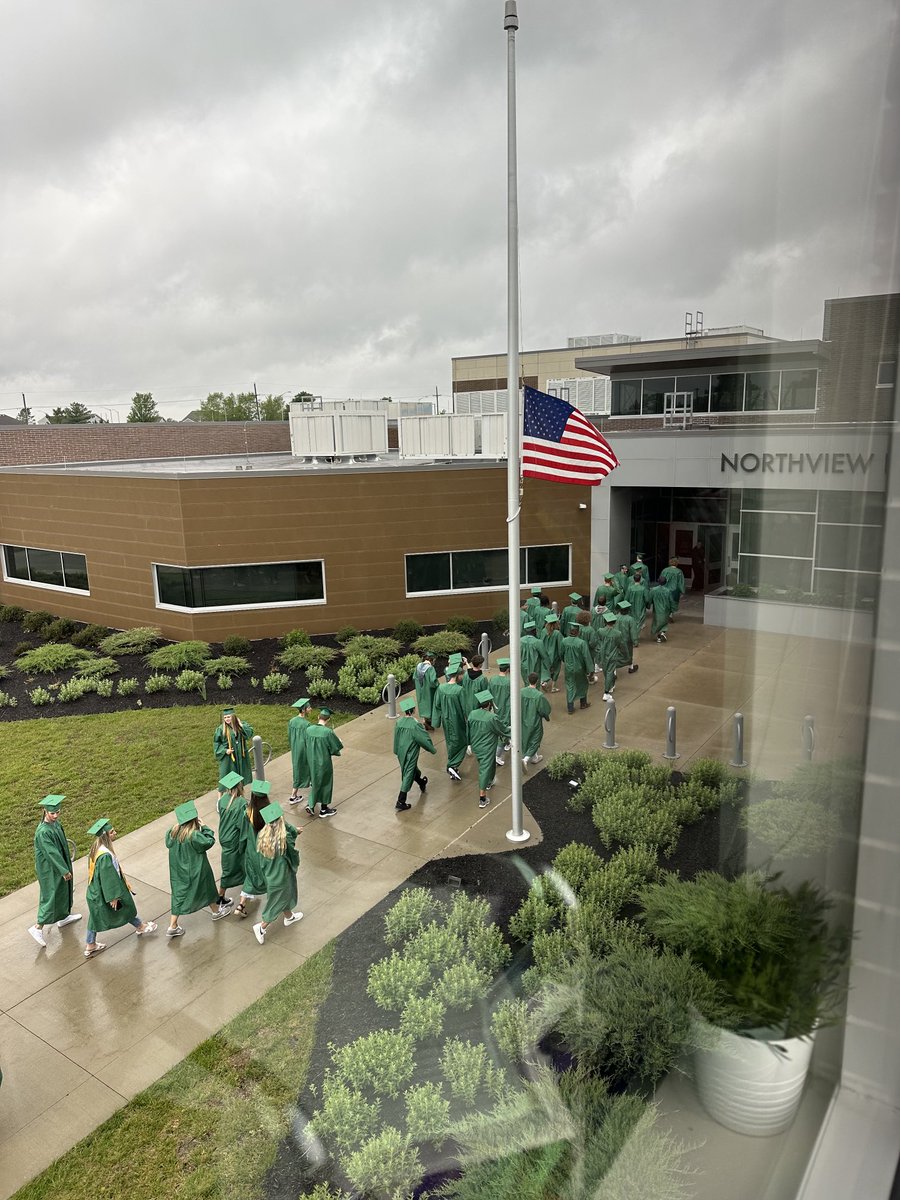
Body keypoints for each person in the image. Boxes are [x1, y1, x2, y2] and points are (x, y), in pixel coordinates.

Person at [83, 818, 157, 958]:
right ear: (105, 836)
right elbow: (107, 876)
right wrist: (113, 896)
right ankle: (140, 927)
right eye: (112, 832)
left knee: (95, 916)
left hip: (95, 891)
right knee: (125, 908)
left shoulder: (95, 849)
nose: (115, 833)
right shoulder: (104, 855)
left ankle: (90, 944)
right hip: (106, 891)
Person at [166, 800, 233, 937]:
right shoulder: (194, 835)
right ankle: (216, 912)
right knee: (207, 890)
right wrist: (206, 827)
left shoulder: (171, 833)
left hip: (178, 871)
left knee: (179, 896)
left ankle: (173, 925)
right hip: (197, 869)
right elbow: (208, 842)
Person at [28, 794, 81, 948]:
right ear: (45, 811)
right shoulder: (43, 831)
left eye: (58, 812)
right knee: (52, 896)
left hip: (60, 864)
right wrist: (63, 870)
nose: (56, 815)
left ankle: (63, 916)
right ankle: (37, 927)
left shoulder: (56, 825)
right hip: (50, 869)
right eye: (52, 813)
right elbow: (51, 853)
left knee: (64, 891)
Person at [252, 802, 304, 945]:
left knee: (283, 897)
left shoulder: (262, 836)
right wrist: (295, 831)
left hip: (270, 875)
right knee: (277, 902)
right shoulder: (284, 838)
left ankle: (289, 917)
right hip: (282, 875)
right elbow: (292, 845)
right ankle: (261, 927)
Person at [466, 690, 510, 809]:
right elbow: (503, 730)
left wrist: (469, 744)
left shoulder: (472, 714)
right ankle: (482, 797)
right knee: (484, 769)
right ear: (489, 704)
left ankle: (489, 782)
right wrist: (513, 730)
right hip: (487, 746)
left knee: (489, 765)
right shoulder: (492, 717)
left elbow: (468, 730)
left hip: (477, 745)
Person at [234, 781, 271, 917]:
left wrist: (242, 848)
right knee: (270, 878)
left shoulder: (247, 812)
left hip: (251, 850)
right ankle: (282, 909)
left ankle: (241, 905)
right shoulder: (269, 813)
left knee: (251, 878)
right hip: (265, 851)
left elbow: (242, 832)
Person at [393, 695, 436, 810]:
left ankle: (421, 782)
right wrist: (431, 749)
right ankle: (401, 801)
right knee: (408, 773)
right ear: (413, 710)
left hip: (401, 752)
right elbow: (423, 739)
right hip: (411, 751)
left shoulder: (399, 722)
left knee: (412, 770)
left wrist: (396, 750)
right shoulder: (415, 725)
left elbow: (396, 738)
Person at [432, 660, 468, 781]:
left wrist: (436, 721)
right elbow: (465, 708)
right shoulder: (459, 690)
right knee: (462, 742)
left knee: (450, 742)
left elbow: (436, 705)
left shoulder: (441, 688)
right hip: (457, 720)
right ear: (457, 676)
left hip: (446, 720)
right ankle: (452, 765)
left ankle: (453, 767)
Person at [216, 770, 246, 907]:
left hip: (224, 836)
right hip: (234, 839)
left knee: (235, 865)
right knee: (231, 868)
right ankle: (220, 896)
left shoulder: (222, 800)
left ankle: (246, 891)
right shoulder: (240, 803)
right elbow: (242, 825)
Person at [305, 707, 342, 817]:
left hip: (312, 760)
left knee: (315, 781)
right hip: (323, 762)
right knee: (326, 783)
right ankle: (323, 809)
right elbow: (335, 748)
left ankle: (311, 805)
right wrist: (339, 741)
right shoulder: (327, 732)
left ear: (318, 717)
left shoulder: (309, 729)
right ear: (329, 719)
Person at [214, 708, 254, 789]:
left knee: (240, 776)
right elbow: (216, 743)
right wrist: (225, 750)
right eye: (225, 717)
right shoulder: (221, 729)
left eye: (228, 717)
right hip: (229, 757)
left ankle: (239, 795)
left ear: (233, 716)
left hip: (240, 754)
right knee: (226, 777)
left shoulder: (240, 725)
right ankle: (220, 799)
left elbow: (249, 734)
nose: (226, 719)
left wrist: (241, 725)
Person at [561, 617, 595, 713]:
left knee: (569, 685)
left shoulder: (564, 641)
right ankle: (583, 703)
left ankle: (570, 707)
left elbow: (561, 654)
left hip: (568, 667)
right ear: (577, 632)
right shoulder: (581, 643)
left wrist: (565, 661)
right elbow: (586, 657)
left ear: (570, 631)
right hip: (579, 668)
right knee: (583, 684)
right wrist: (590, 670)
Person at [596, 610, 630, 701]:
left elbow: (597, 641)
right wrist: (626, 655)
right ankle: (606, 692)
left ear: (605, 621)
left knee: (606, 672)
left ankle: (610, 685)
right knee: (610, 672)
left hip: (603, 654)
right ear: (614, 622)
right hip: (612, 654)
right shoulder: (617, 634)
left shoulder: (600, 631)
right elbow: (621, 645)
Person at [521, 673, 551, 769]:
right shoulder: (539, 695)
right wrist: (546, 716)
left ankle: (535, 757)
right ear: (537, 681)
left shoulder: (521, 692)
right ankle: (526, 759)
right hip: (534, 720)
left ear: (528, 680)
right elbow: (544, 709)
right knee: (535, 739)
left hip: (523, 718)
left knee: (525, 737)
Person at [487, 657, 512, 766]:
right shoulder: (509, 682)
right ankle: (497, 756)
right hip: (506, 709)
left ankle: (507, 743)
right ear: (508, 669)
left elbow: (489, 694)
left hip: (495, 707)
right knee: (504, 729)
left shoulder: (492, 679)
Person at [287, 698, 312, 805]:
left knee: (298, 769)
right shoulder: (306, 724)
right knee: (303, 769)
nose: (311, 709)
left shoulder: (292, 721)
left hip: (295, 749)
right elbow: (309, 739)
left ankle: (308, 783)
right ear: (304, 710)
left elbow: (289, 736)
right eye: (309, 708)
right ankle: (293, 796)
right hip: (304, 750)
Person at [413, 650, 439, 732]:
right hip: (428, 691)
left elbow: (414, 677)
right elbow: (433, 682)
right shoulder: (430, 668)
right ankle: (428, 722)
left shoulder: (418, 666)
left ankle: (425, 720)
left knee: (423, 704)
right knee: (429, 704)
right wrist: (439, 686)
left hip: (420, 690)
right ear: (431, 660)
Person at [539, 611, 564, 692]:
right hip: (555, 655)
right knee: (556, 670)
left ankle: (544, 682)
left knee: (546, 669)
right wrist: (562, 656)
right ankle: (553, 687)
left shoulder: (543, 631)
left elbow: (540, 642)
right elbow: (561, 646)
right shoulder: (557, 633)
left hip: (545, 654)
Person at [615, 598, 640, 674]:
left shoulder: (615, 617)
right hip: (626, 640)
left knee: (616, 655)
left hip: (616, 639)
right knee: (628, 654)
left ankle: (614, 671)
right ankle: (631, 667)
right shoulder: (630, 619)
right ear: (628, 610)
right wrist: (635, 641)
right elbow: (633, 632)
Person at [625, 569, 650, 641]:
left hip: (631, 607)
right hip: (640, 607)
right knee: (639, 622)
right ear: (640, 580)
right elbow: (647, 599)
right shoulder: (643, 588)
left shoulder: (630, 588)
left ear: (634, 579)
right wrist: (647, 605)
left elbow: (626, 599)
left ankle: (632, 636)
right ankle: (635, 637)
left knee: (632, 622)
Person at [520, 620, 548, 685]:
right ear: (534, 631)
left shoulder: (520, 641)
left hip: (524, 667)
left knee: (527, 683)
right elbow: (544, 656)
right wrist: (548, 668)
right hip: (536, 667)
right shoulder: (538, 642)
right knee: (535, 684)